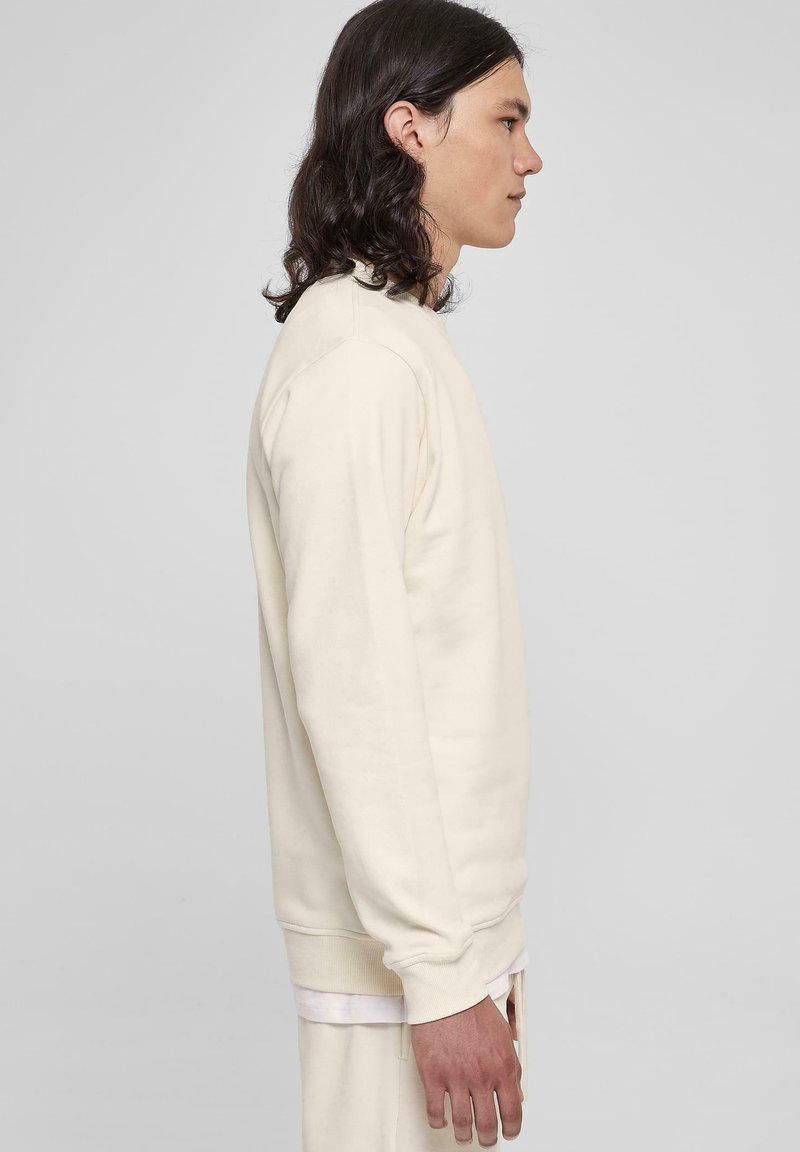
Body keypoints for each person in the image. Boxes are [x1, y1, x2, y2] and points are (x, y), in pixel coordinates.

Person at [245, 0, 543, 1147]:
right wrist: (437, 975)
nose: (529, 158)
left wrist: (461, 961)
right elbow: (354, 688)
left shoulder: (398, 343)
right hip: (408, 975)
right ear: (410, 126)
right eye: (505, 119)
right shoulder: (356, 363)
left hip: (443, 953)